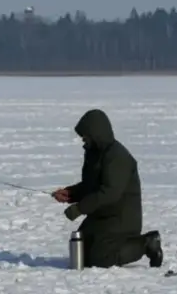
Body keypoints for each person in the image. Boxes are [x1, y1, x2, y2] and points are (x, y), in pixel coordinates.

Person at [51, 108, 163, 269]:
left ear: (96, 133)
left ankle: (147, 243)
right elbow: (91, 185)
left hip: (121, 217)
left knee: (101, 259)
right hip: (101, 215)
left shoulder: (117, 156)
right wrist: (70, 193)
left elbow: (110, 192)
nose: (83, 139)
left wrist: (80, 208)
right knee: (81, 252)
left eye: (85, 136)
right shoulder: (94, 153)